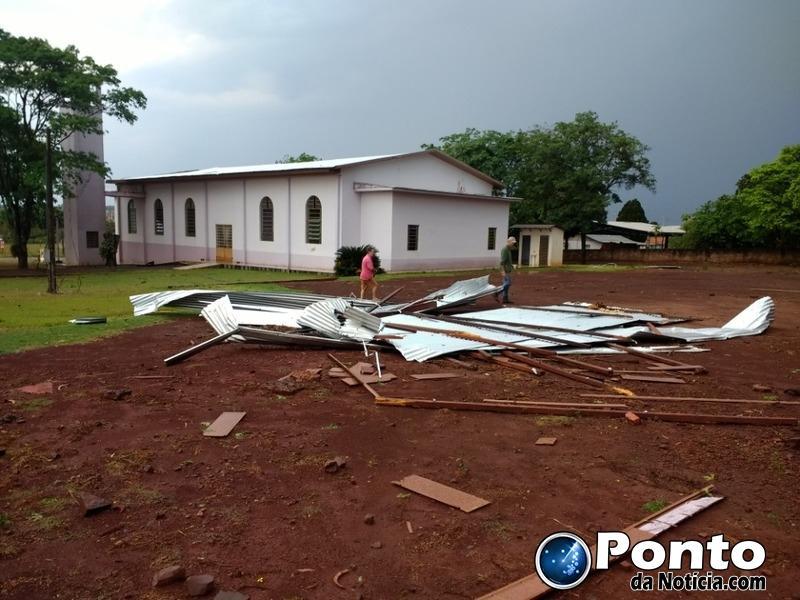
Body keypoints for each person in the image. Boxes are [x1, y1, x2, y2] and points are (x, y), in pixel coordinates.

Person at [495, 236, 516, 304]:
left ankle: (505, 299)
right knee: (508, 283)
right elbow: (502, 262)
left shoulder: (508, 250)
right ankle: (497, 292)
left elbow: (507, 261)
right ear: (508, 242)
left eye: (513, 243)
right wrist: (503, 271)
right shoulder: (505, 250)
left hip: (508, 270)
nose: (513, 244)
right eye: (512, 242)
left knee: (506, 285)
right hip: (505, 270)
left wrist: (511, 266)